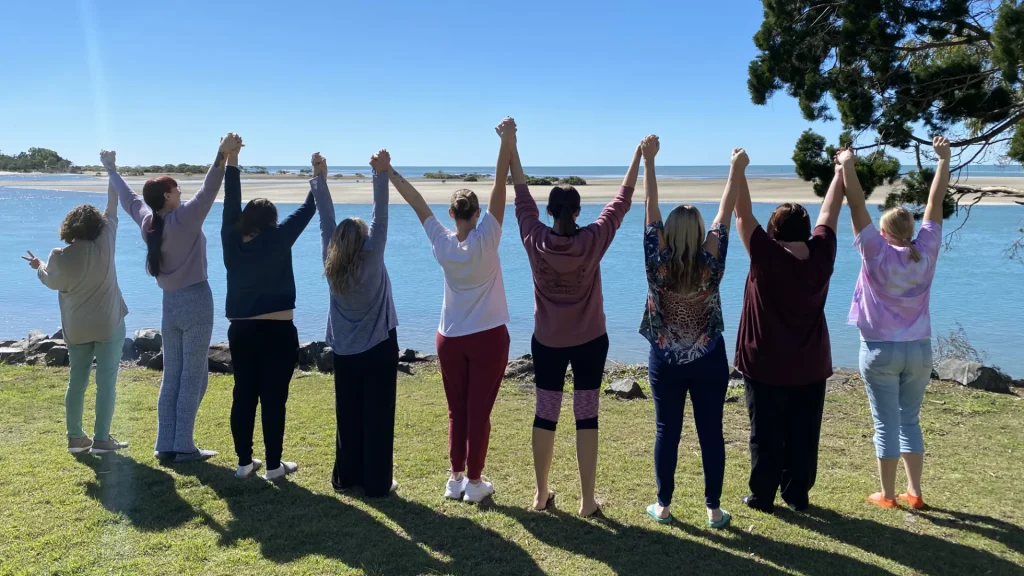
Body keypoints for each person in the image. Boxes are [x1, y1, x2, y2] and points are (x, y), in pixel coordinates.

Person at [511, 124, 638, 518]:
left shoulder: (535, 238)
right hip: (589, 341)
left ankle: (540, 495)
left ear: (550, 212)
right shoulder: (591, 240)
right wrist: (639, 155)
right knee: (587, 414)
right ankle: (587, 501)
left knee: (545, 412)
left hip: (548, 341)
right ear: (578, 211)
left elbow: (521, 196)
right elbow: (621, 202)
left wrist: (510, 145)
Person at [389, 118, 514, 503]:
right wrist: (507, 142)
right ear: (477, 214)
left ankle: (456, 478)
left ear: (451, 214)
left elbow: (416, 203)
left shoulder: (442, 244)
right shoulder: (488, 238)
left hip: (450, 338)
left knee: (457, 411)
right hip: (488, 337)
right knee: (478, 412)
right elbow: (500, 186)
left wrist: (389, 171)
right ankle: (475, 483)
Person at [105, 133, 241, 463]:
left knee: (173, 375)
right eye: (177, 188)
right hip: (195, 301)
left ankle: (165, 444)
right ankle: (183, 446)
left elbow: (128, 198)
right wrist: (222, 154)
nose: (181, 191)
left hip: (170, 305)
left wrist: (111, 169)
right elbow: (210, 188)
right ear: (167, 196)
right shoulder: (184, 219)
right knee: (194, 376)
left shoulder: (148, 223)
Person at [640, 138, 746, 528]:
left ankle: (663, 506)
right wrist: (736, 169)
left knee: (666, 431)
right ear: (700, 230)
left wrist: (649, 161)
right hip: (709, 358)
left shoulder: (657, 261)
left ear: (667, 231)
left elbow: (650, 207)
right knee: (711, 433)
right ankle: (713, 510)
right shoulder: (711, 259)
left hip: (665, 359)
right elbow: (725, 210)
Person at [733, 150, 844, 513]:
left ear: (774, 231)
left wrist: (738, 169)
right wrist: (840, 173)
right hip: (810, 363)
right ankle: (797, 494)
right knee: (804, 434)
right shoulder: (822, 253)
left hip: (765, 362)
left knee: (765, 433)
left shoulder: (765, 255)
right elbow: (830, 212)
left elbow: (741, 215)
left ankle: (763, 495)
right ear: (806, 230)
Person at [842, 137, 950, 510]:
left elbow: (857, 204)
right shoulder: (927, 249)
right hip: (919, 349)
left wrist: (847, 165)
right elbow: (935, 203)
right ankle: (915, 493)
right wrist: (942, 160)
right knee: (910, 420)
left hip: (879, 351)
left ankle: (888, 495)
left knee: (885, 423)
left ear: (884, 232)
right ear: (911, 229)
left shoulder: (876, 251)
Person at [23, 152, 129, 455]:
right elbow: (113, 204)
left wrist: (39, 266)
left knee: (77, 381)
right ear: (98, 226)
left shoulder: (59, 256)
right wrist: (111, 169)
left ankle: (75, 438)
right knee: (106, 383)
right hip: (109, 324)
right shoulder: (106, 241)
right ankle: (102, 440)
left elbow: (50, 280)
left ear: (69, 226)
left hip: (76, 328)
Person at [222, 137, 314, 480]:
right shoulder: (278, 237)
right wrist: (317, 176)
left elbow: (231, 202)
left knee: (244, 394)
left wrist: (232, 159)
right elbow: (308, 210)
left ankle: (244, 463)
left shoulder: (231, 239)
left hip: (241, 330)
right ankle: (274, 466)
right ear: (272, 220)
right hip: (278, 330)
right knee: (274, 398)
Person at [310, 150, 400, 497]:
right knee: (378, 415)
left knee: (347, 414)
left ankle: (345, 478)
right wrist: (380, 172)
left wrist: (320, 178)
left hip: (345, 351)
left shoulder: (329, 261)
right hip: (379, 347)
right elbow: (381, 215)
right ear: (364, 239)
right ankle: (376, 483)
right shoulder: (372, 255)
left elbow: (325, 220)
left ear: (335, 243)